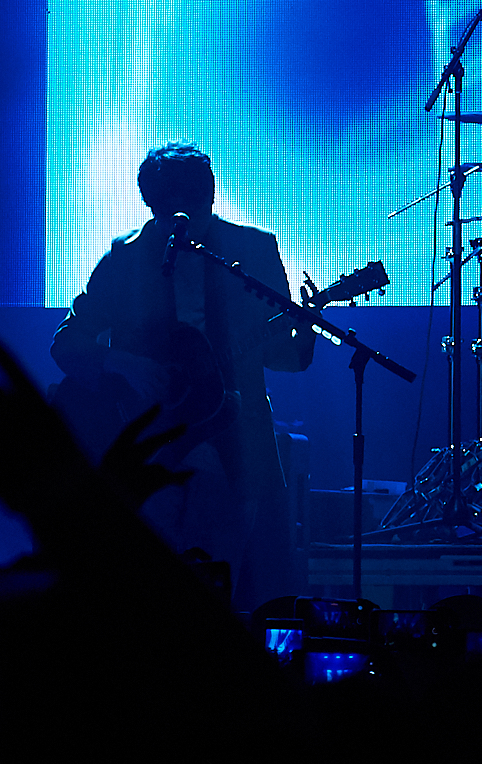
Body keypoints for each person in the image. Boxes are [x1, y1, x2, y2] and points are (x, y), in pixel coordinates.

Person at [51, 140, 316, 601]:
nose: (182, 219)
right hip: (152, 443)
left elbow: (282, 357)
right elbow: (67, 343)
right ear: (150, 205)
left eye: (193, 206)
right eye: (167, 209)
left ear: (209, 197)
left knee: (218, 582)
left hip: (236, 444)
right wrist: (123, 362)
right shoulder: (125, 259)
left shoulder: (251, 250)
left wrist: (306, 328)